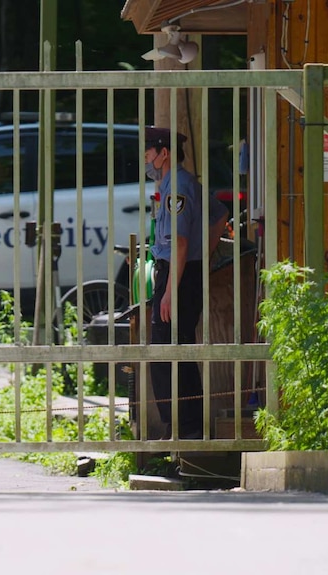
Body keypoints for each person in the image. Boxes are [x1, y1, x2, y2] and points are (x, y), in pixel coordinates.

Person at [144, 127, 229, 440]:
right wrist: (201, 256)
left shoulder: (176, 186)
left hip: (176, 275)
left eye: (149, 152)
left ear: (164, 153)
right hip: (185, 272)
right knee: (178, 348)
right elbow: (221, 215)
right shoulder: (183, 182)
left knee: (166, 352)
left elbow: (179, 242)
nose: (146, 158)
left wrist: (169, 291)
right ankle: (186, 428)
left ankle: (182, 429)